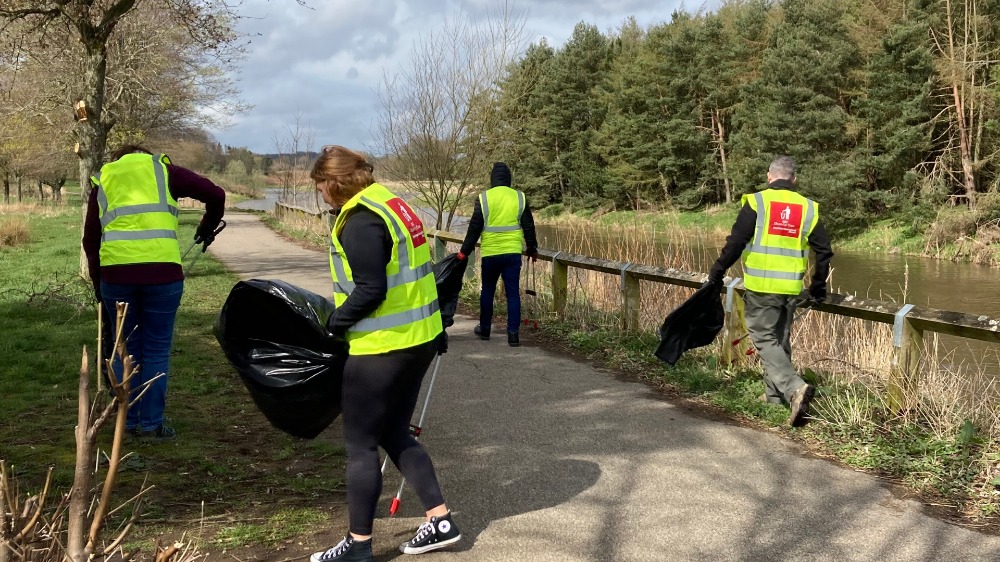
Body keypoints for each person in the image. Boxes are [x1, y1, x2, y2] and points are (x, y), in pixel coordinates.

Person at [309, 145, 460, 562]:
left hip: (381, 348)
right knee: (394, 431)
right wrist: (438, 328)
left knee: (361, 444)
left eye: (320, 184)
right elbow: (421, 272)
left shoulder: (359, 220)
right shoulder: (394, 204)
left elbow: (371, 290)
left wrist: (332, 325)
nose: (320, 192)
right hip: (419, 339)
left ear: (335, 182)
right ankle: (440, 519)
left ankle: (358, 546)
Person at [83, 145, 225, 442]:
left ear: (118, 159)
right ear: (145, 154)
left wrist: (99, 284)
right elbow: (216, 195)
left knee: (126, 350)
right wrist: (207, 225)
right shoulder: (165, 172)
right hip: (162, 276)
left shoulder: (105, 179)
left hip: (117, 277)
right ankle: (151, 425)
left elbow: (90, 239)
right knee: (157, 349)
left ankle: (127, 421)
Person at [706, 155, 833, 427]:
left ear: (769, 176)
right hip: (791, 288)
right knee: (779, 339)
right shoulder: (807, 207)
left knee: (764, 339)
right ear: (794, 179)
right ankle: (775, 397)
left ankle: (794, 388)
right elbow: (824, 251)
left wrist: (718, 270)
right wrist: (818, 286)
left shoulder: (757, 202)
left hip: (762, 286)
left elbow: (736, 242)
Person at [457, 162, 539, 347]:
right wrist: (532, 249)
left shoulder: (484, 198)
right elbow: (528, 226)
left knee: (487, 291)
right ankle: (513, 335)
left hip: (490, 253)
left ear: (492, 178)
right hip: (512, 254)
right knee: (513, 295)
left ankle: (485, 329)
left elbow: (474, 228)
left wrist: (464, 252)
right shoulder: (519, 197)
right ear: (509, 178)